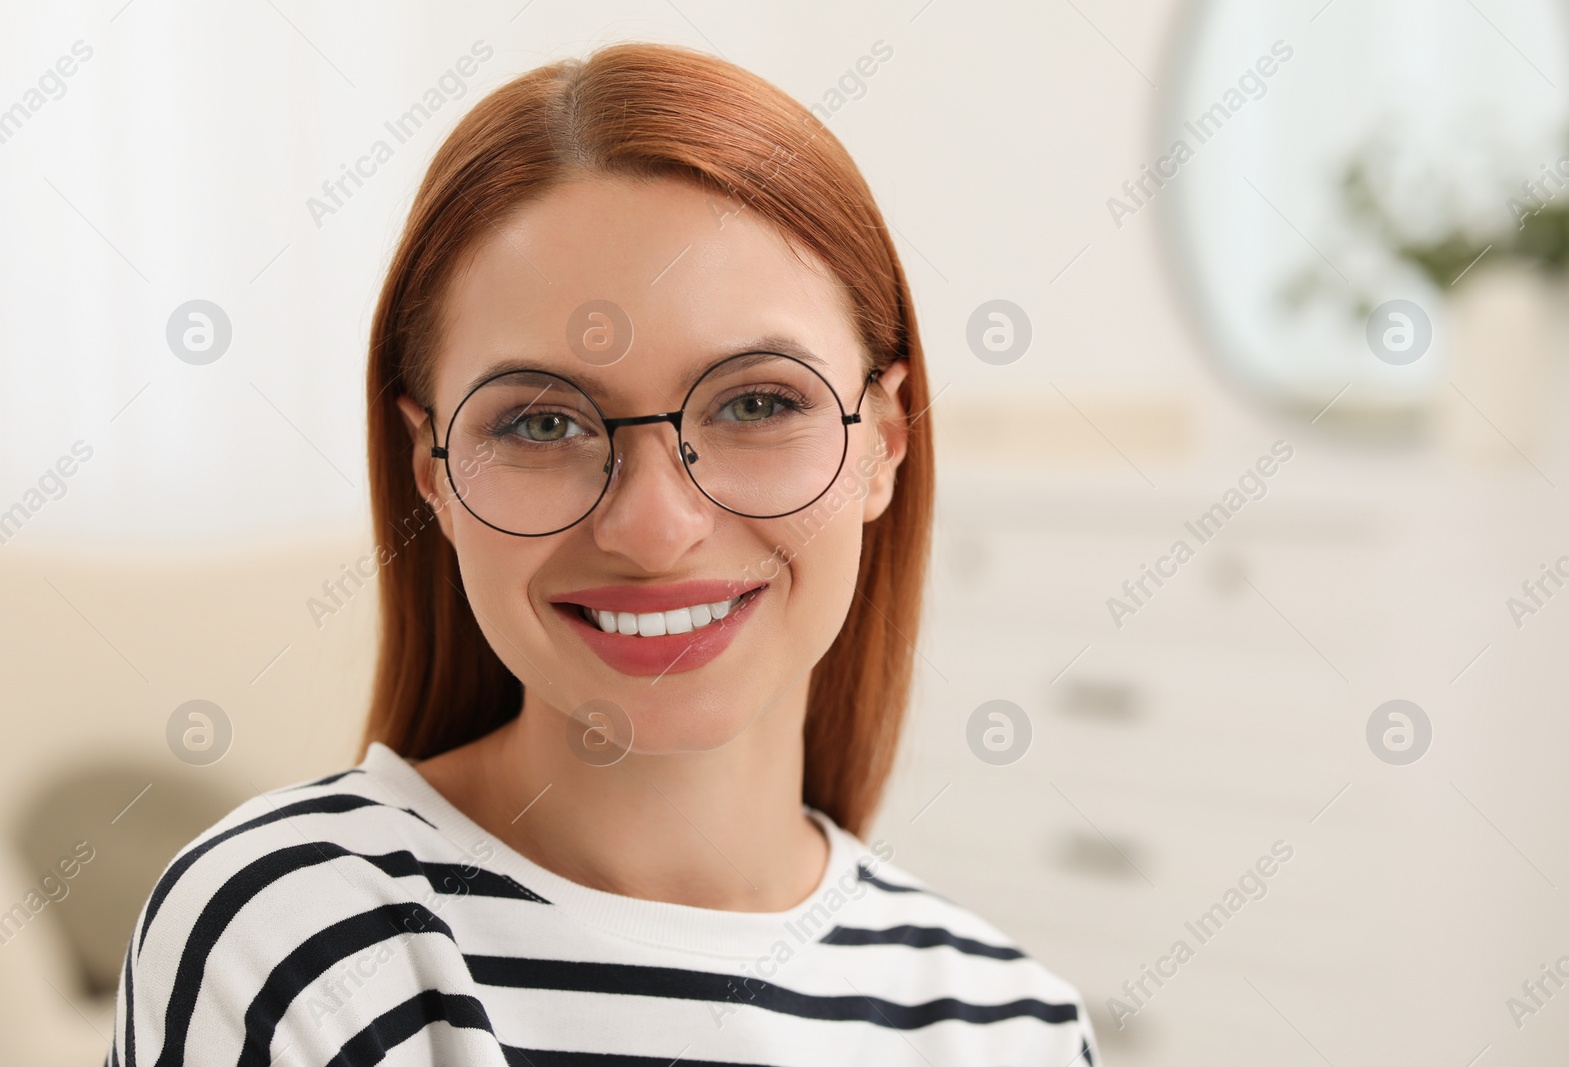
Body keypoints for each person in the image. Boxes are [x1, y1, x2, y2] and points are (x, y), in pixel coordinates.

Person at [107, 42, 1096, 1066]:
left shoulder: (1013, 1024)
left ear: (885, 439)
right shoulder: (288, 939)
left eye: (758, 403)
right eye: (541, 424)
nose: (655, 526)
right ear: (431, 471)